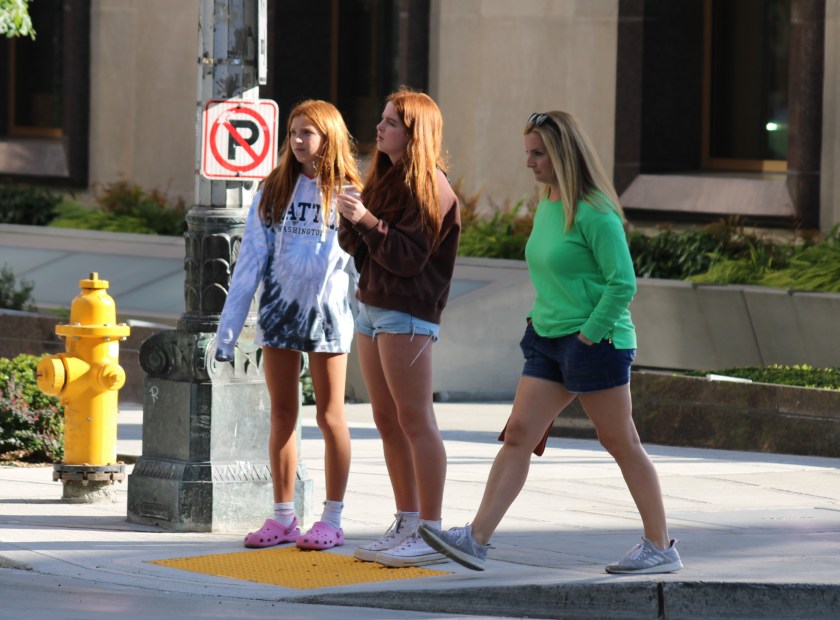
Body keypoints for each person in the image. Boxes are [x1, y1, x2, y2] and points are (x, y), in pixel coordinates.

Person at [419, 111, 683, 575]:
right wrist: (541, 321)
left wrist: (586, 336)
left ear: (564, 154)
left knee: (620, 441)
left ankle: (660, 546)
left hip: (595, 342)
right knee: (519, 434)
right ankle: (476, 539)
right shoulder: (547, 202)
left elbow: (622, 284)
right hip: (546, 339)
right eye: (528, 153)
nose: (530, 162)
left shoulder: (595, 212)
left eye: (538, 153)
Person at [214, 99, 362, 551]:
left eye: (307, 133)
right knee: (281, 414)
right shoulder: (274, 190)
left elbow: (362, 266)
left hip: (328, 318)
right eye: (293, 132)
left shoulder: (351, 192)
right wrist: (227, 332)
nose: (298, 141)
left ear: (329, 137)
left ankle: (332, 519)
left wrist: (372, 321)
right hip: (278, 313)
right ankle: (283, 518)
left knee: (330, 415)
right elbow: (249, 262)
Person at [335, 88, 461, 568]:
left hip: (407, 313)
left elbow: (409, 259)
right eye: (382, 118)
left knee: (415, 419)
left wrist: (366, 220)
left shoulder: (432, 186)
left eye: (390, 122)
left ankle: (430, 529)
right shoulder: (387, 178)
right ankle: (407, 520)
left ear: (414, 133)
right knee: (386, 419)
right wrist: (351, 218)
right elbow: (362, 249)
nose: (379, 127)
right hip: (371, 307)